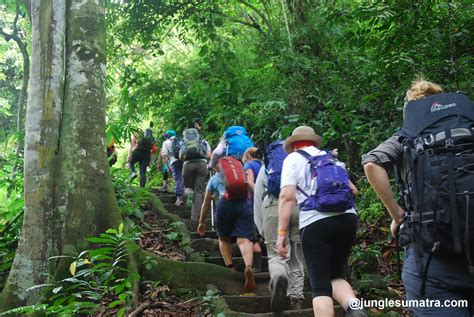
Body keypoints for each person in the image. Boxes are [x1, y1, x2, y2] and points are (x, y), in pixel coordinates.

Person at [363, 79, 474, 316]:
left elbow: (372, 164)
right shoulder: (469, 126)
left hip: (431, 256)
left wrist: (397, 216)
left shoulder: (406, 136)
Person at [277, 126, 364, 317]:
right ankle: (354, 309)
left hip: (315, 223)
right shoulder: (331, 158)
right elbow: (354, 190)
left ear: (293, 145)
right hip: (347, 218)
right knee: (335, 276)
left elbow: (286, 197)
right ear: (313, 142)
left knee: (320, 287)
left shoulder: (292, 159)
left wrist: (281, 234)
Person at [254, 141, 305, 312]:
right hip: (298, 207)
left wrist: (261, 227)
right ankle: (296, 301)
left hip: (273, 206)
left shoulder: (267, 168)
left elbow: (258, 196)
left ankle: (278, 276)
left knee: (277, 255)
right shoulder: (301, 162)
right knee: (297, 257)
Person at [197, 157, 256, 293]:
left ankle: (231, 267)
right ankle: (248, 266)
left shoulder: (214, 179)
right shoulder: (242, 177)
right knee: (244, 239)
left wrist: (201, 222)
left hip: (225, 205)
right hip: (243, 204)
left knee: (224, 238)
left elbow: (206, 203)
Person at [180, 126, 212, 220]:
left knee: (188, 186)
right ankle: (195, 217)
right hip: (202, 164)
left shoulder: (184, 141)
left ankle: (189, 192)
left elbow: (180, 156)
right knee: (199, 191)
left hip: (187, 165)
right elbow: (209, 155)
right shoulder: (203, 141)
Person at [242, 147, 264, 273]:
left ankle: (257, 266)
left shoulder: (249, 164)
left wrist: (258, 194)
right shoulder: (264, 164)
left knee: (253, 234)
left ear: (249, 156)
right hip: (268, 201)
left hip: (253, 202)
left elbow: (249, 181)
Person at [161, 129, 185, 205]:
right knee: (183, 178)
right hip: (184, 161)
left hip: (174, 162)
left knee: (178, 179)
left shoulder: (166, 142)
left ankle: (179, 199)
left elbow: (164, 156)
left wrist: (168, 167)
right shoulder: (181, 141)